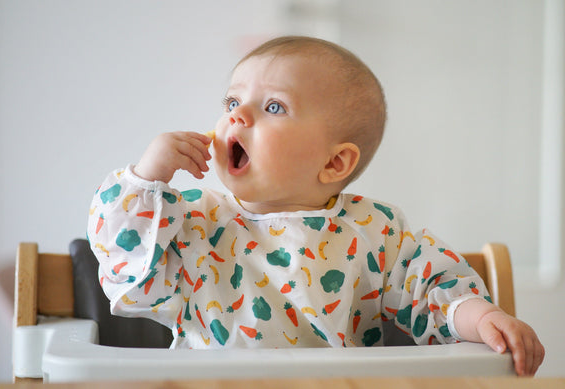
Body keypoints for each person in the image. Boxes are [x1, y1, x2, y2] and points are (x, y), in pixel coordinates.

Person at [87, 36, 544, 375]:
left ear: (334, 162)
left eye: (273, 107)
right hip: (213, 384)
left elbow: (432, 291)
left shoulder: (375, 231)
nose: (237, 115)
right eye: (232, 100)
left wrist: (484, 316)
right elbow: (127, 272)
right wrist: (146, 180)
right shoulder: (194, 220)